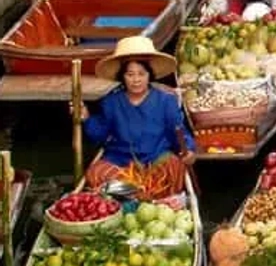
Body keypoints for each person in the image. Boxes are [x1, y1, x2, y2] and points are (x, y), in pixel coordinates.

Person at [74, 36, 195, 197]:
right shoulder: (111, 101)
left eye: (141, 74)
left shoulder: (166, 101)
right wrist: (86, 117)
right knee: (96, 174)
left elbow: (178, 132)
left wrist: (188, 150)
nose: (136, 80)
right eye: (130, 74)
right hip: (121, 161)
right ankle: (138, 193)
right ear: (122, 77)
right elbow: (100, 134)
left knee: (173, 166)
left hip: (155, 160)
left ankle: (135, 194)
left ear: (149, 75)